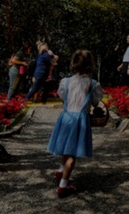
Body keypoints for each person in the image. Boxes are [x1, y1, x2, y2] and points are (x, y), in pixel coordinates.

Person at [47, 49, 104, 198]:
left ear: (73, 64)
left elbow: (62, 95)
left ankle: (61, 170)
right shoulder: (93, 84)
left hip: (65, 117)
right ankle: (63, 186)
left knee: (66, 147)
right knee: (72, 154)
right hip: (80, 121)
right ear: (91, 65)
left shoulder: (65, 81)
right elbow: (96, 101)